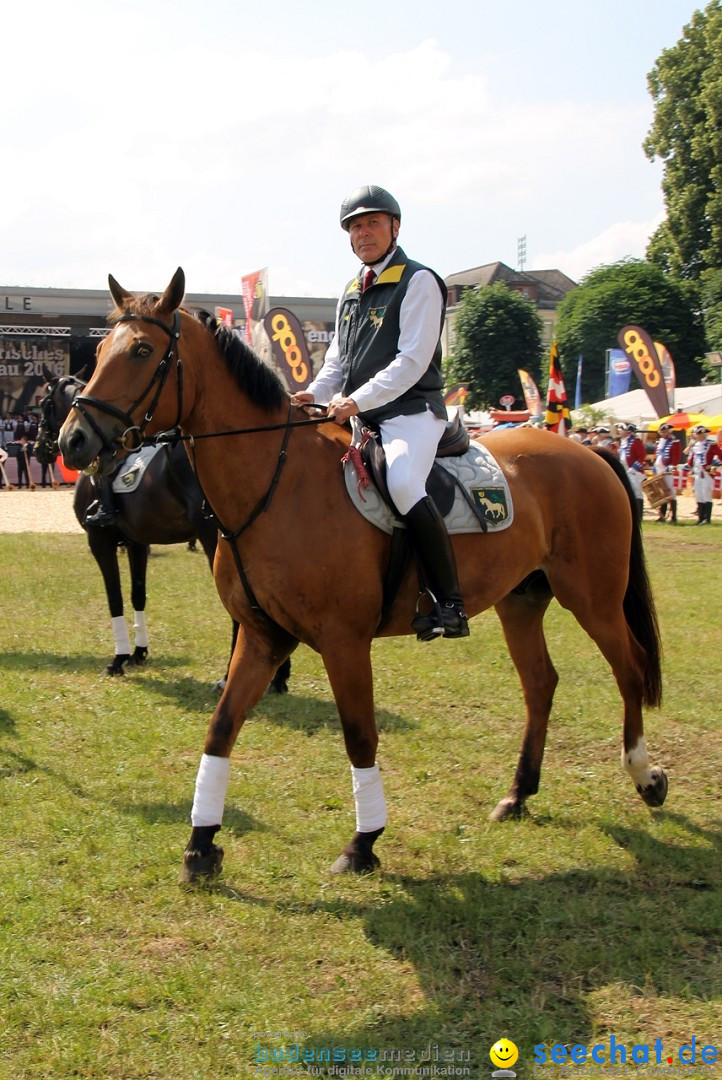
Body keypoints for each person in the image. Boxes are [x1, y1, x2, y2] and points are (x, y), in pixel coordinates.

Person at [291, 184, 468, 641]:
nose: (363, 233)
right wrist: (311, 394)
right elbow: (338, 361)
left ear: (395, 227)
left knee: (405, 481)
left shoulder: (419, 281)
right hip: (362, 417)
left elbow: (410, 361)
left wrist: (356, 401)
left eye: (372, 222)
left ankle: (449, 601)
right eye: (355, 226)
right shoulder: (351, 291)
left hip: (410, 413)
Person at [685, 424, 722, 524]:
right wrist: (686, 467)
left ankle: (707, 518)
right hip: (697, 473)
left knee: (706, 495)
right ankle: (701, 518)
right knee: (699, 495)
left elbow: (720, 456)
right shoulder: (695, 445)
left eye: (701, 433)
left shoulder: (711, 444)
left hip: (706, 474)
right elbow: (691, 460)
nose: (699, 435)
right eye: (697, 433)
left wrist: (713, 464)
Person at [615, 422, 646, 521]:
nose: (619, 431)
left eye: (621, 429)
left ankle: (639, 516)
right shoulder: (623, 441)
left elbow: (642, 456)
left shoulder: (636, 441)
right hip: (625, 470)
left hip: (633, 471)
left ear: (628, 431)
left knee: (637, 493)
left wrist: (634, 468)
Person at [653, 422, 682, 523]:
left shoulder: (675, 442)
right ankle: (662, 516)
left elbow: (676, 459)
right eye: (662, 431)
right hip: (659, 470)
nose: (663, 433)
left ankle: (673, 517)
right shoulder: (660, 442)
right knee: (663, 494)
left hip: (668, 472)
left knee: (671, 494)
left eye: (665, 431)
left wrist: (667, 470)